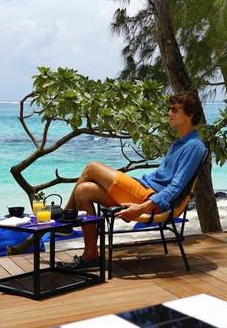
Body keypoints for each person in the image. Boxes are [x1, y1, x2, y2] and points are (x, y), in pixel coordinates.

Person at [59, 92, 207, 270]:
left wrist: (140, 208)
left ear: (190, 115)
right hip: (142, 189)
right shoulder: (180, 142)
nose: (169, 113)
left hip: (150, 199)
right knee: (83, 191)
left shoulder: (194, 147)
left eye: (175, 110)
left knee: (91, 167)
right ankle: (91, 255)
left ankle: (64, 220)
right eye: (169, 109)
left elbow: (176, 187)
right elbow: (162, 176)